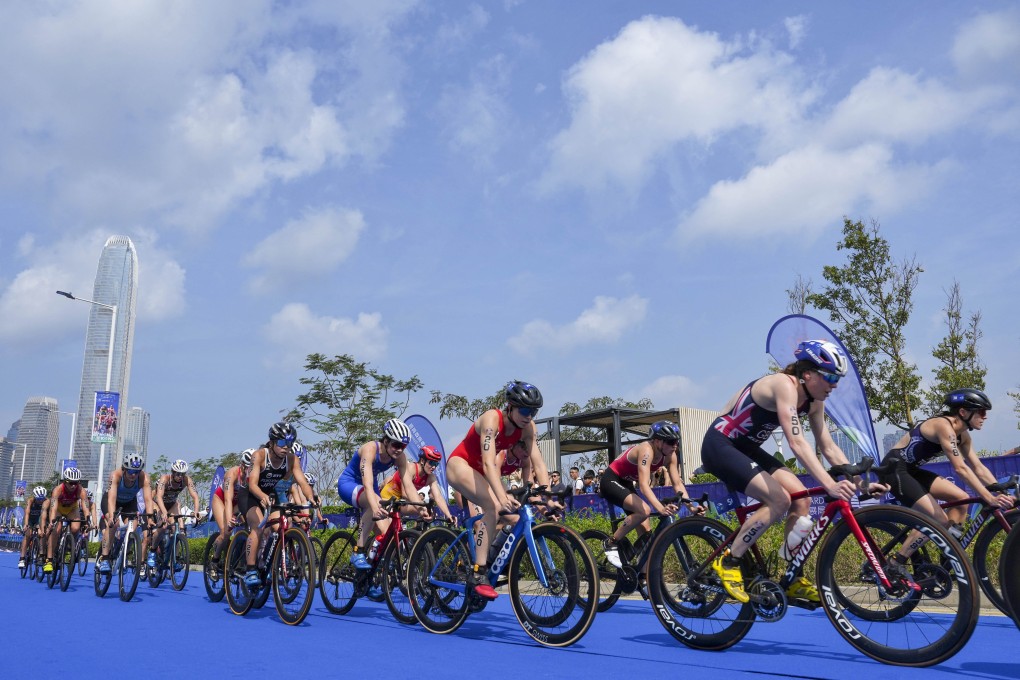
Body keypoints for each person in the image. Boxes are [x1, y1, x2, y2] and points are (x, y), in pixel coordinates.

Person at [700, 339, 882, 604]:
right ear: (807, 374)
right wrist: (830, 485)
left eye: (838, 379)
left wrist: (863, 483)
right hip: (721, 444)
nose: (834, 384)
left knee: (802, 498)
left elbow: (828, 447)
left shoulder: (814, 400)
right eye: (830, 376)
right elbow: (796, 442)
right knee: (779, 499)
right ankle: (729, 561)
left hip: (746, 447)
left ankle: (792, 577)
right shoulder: (784, 384)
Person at [877, 388, 1014, 574]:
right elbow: (961, 468)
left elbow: (978, 468)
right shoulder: (944, 426)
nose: (985, 416)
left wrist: (1002, 493)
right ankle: (897, 561)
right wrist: (989, 498)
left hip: (912, 470)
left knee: (961, 500)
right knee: (938, 519)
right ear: (963, 412)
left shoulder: (963, 435)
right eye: (981, 411)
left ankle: (947, 559)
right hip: (894, 472)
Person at [446, 380, 560, 600]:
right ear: (510, 406)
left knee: (511, 514)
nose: (529, 416)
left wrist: (547, 499)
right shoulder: (492, 419)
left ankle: (488, 560)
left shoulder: (528, 428)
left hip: (480, 473)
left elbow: (539, 464)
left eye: (533, 411)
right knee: (492, 507)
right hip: (461, 464)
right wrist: (501, 497)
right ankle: (478, 572)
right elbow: (489, 464)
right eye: (525, 410)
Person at [599, 421, 704, 569]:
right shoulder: (646, 450)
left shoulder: (671, 455)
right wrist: (660, 509)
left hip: (627, 483)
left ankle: (642, 576)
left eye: (677, 441)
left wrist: (692, 507)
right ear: (657, 441)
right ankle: (610, 542)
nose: (675, 445)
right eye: (671, 441)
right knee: (644, 511)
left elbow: (677, 484)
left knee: (647, 537)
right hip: (611, 480)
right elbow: (643, 485)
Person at [336, 418, 419, 598]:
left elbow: (408, 484)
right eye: (396, 445)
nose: (399, 450)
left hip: (370, 489)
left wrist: (419, 507)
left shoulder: (400, 457)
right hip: (350, 484)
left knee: (386, 531)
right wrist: (374, 506)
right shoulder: (370, 448)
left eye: (403, 446)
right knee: (373, 502)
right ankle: (357, 552)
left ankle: (367, 577)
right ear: (386, 440)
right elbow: (366, 481)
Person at [244, 422, 318, 587]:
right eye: (282, 443)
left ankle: (268, 560)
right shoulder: (260, 456)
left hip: (273, 495)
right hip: (253, 495)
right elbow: (253, 484)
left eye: (290, 444)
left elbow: (302, 482)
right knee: (258, 527)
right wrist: (262, 496)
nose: (286, 448)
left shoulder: (292, 459)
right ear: (271, 443)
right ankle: (250, 569)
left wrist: (311, 497)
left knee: (284, 526)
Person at [100, 454, 155, 574]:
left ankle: (122, 556)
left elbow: (148, 500)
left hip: (129, 502)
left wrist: (150, 518)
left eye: (137, 472)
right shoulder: (115, 475)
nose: (133, 475)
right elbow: (111, 498)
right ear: (124, 469)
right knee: (113, 525)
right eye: (130, 471)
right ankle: (104, 558)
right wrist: (111, 516)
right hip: (112, 501)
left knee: (132, 529)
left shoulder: (144, 478)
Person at [379, 444, 456, 524]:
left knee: (429, 511)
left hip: (402, 502)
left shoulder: (430, 477)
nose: (433, 467)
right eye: (431, 463)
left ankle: (419, 532)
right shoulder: (411, 468)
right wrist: (421, 502)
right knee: (387, 527)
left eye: (436, 464)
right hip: (388, 497)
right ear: (422, 461)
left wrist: (448, 515)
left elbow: (438, 497)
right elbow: (405, 494)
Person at [150, 459, 202, 568]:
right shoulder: (165, 479)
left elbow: (195, 496)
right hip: (158, 504)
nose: (180, 476)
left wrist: (196, 511)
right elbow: (158, 497)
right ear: (173, 472)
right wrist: (164, 512)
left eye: (182, 474)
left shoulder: (187, 480)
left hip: (172, 504)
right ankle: (153, 551)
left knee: (178, 530)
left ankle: (176, 559)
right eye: (178, 474)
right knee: (163, 527)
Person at [209, 448, 255, 570]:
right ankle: (215, 560)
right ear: (242, 465)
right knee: (226, 532)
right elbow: (228, 500)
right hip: (222, 500)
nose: (249, 471)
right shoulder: (232, 474)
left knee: (250, 529)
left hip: (239, 502)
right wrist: (230, 519)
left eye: (252, 468)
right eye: (247, 468)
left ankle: (239, 560)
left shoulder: (256, 475)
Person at [44, 467, 90, 573]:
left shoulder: (81, 490)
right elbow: (53, 508)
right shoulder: (58, 490)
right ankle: (49, 560)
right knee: (57, 529)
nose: (74, 486)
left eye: (76, 483)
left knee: (75, 527)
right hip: (59, 509)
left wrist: (88, 521)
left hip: (72, 509)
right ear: (65, 481)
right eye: (71, 483)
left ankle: (68, 544)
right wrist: (52, 522)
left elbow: (85, 506)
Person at [18, 486, 49, 569]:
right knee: (28, 535)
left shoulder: (46, 501)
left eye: (42, 499)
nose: (40, 501)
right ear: (35, 497)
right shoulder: (30, 500)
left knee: (42, 533)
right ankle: (22, 558)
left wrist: (41, 527)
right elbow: (27, 513)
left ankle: (41, 554)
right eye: (38, 499)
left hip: (40, 519)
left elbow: (44, 517)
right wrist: (26, 524)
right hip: (30, 519)